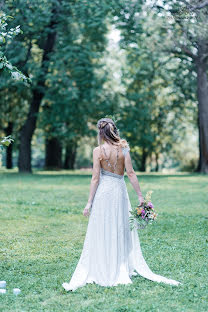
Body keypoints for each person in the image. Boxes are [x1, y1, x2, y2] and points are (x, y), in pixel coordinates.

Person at [62, 118, 181, 292]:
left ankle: (103, 265)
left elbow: (95, 178)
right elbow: (131, 174)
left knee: (103, 227)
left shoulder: (97, 151)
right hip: (119, 191)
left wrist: (89, 202)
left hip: (103, 193)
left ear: (101, 133)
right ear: (114, 131)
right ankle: (120, 266)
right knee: (119, 227)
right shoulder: (124, 149)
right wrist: (140, 196)